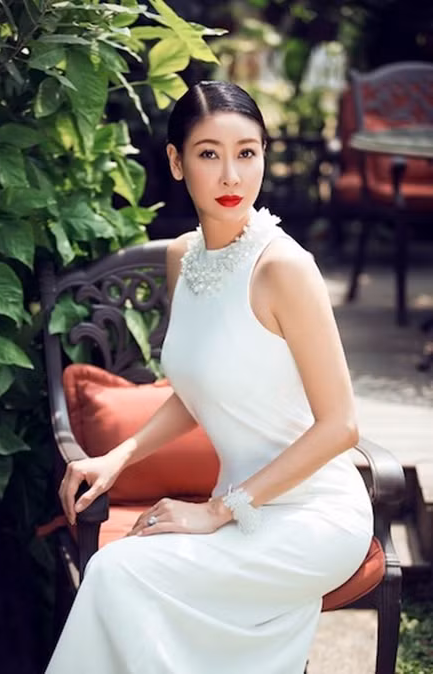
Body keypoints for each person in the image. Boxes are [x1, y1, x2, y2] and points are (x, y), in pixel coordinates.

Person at [46, 80, 373, 674]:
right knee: (124, 581)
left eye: (247, 153)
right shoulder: (183, 257)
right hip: (237, 506)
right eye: (208, 154)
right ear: (176, 162)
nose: (230, 176)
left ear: (264, 156)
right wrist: (116, 459)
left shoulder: (285, 268)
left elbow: (341, 427)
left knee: (117, 573)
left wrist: (217, 511)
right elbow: (197, 394)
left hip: (312, 515)